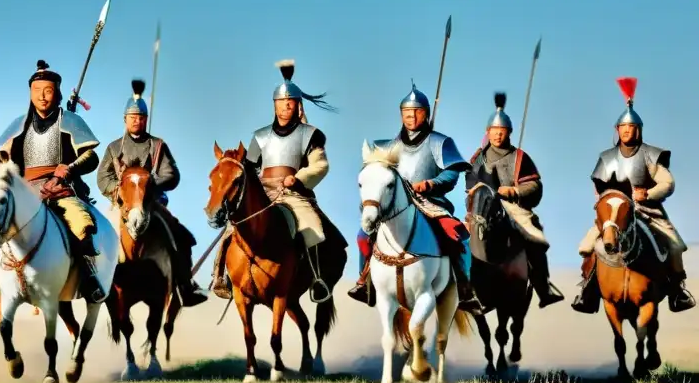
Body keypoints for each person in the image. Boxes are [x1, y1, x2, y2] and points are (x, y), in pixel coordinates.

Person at [209, 60, 348, 299]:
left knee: (312, 227)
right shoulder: (260, 136)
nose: (286, 107)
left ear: (297, 105)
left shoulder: (310, 134)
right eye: (282, 103)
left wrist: (300, 178)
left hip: (293, 192)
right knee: (233, 227)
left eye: (290, 103)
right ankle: (221, 277)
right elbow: (249, 168)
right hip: (264, 191)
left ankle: (316, 279)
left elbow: (321, 164)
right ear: (275, 105)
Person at [347, 82, 486, 314]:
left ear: (426, 113)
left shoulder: (440, 142)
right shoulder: (388, 146)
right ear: (401, 114)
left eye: (416, 111)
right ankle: (365, 282)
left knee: (459, 236)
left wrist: (431, 183)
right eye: (406, 112)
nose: (411, 116)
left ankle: (465, 289)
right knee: (363, 235)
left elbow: (452, 173)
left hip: (430, 202)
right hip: (395, 206)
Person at [571, 77, 694, 314]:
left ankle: (678, 291)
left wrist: (647, 193)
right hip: (614, 214)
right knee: (587, 246)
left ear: (638, 130)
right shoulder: (607, 157)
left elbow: (668, 183)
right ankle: (587, 290)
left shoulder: (650, 155)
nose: (627, 131)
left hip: (647, 210)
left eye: (631, 127)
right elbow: (598, 187)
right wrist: (607, 202)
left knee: (675, 244)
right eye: (623, 127)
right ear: (617, 130)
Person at [0, 60, 106, 303]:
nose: (42, 97)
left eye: (48, 90)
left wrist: (69, 169)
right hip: (24, 191)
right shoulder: (19, 125)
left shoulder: (71, 121)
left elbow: (91, 156)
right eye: (37, 91)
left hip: (61, 190)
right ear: (30, 93)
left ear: (57, 93)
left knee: (79, 224)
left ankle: (89, 277)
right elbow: (2, 155)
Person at [96, 79, 208, 307]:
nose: (137, 120)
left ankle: (185, 286)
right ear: (125, 119)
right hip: (121, 205)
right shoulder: (113, 148)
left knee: (183, 237)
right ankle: (96, 284)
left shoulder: (158, 146)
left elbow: (171, 174)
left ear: (146, 119)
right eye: (132, 117)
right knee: (97, 237)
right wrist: (118, 190)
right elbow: (102, 177)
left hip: (152, 205)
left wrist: (147, 185)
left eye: (141, 117)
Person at [466, 92, 564, 307]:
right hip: (482, 208)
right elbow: (469, 182)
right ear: (487, 132)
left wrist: (514, 191)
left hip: (513, 208)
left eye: (501, 131)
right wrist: (475, 194)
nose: (497, 135)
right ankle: (467, 289)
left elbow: (535, 185)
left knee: (535, 237)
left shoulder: (520, 157)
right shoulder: (478, 158)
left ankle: (543, 286)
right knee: (461, 239)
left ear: (508, 132)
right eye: (494, 131)